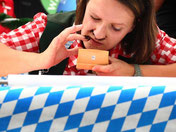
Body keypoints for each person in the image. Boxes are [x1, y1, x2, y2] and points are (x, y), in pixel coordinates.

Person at [0, 0, 176, 77]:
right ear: (83, 5)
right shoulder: (49, 30)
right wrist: (42, 59)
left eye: (116, 28)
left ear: (133, 26)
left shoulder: (146, 40)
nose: (99, 33)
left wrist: (133, 71)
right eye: (94, 18)